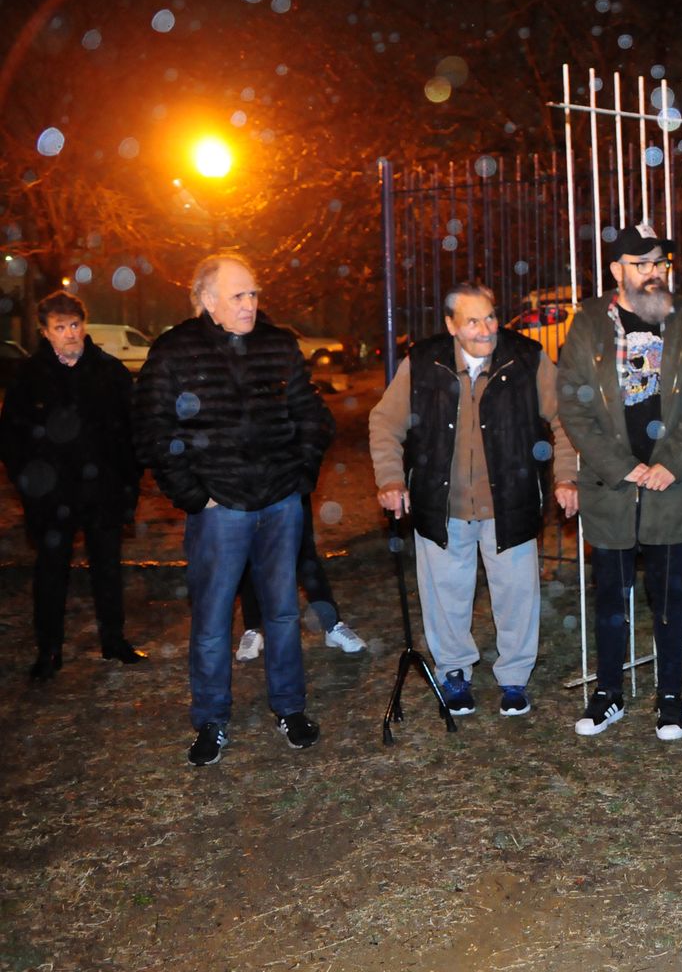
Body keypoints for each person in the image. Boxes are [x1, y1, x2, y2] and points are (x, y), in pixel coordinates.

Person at [134, 252, 334, 766]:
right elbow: (154, 428)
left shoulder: (277, 343)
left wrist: (300, 474)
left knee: (283, 612)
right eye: (239, 295)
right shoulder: (176, 350)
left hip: (280, 502)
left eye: (254, 293)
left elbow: (310, 411)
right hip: (219, 511)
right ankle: (211, 720)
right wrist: (194, 495)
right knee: (212, 619)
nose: (251, 304)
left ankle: (290, 708)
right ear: (207, 300)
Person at [368, 281, 578, 719]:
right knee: (445, 594)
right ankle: (454, 672)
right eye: (472, 321)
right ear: (451, 326)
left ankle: (515, 678)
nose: (485, 329)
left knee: (517, 595)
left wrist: (566, 477)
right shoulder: (423, 363)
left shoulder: (527, 359)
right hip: (440, 503)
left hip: (511, 500)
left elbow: (565, 420)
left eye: (490, 317)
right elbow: (385, 423)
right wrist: (390, 479)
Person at [556, 223, 682, 741]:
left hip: (670, 485)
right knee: (610, 596)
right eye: (640, 264)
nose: (653, 274)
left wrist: (669, 463)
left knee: (668, 595)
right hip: (612, 487)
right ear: (616, 271)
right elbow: (572, 402)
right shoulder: (588, 322)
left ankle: (670, 698)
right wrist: (618, 465)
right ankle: (608, 693)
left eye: (659, 264)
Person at [0, 290, 147, 679]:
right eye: (59, 327)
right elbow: (11, 438)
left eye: (75, 325)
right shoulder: (29, 378)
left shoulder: (109, 372)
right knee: (50, 573)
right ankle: (48, 651)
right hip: (51, 497)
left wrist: (127, 483)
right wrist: (31, 486)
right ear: (44, 332)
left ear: (85, 325)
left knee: (108, 570)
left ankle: (113, 641)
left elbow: (132, 433)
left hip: (103, 492)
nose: (69, 333)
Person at [233, 494, 367, 662]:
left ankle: (332, 625)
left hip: (289, 482)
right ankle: (252, 629)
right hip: (247, 485)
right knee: (250, 553)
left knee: (304, 552)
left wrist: (303, 478)